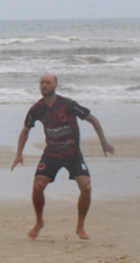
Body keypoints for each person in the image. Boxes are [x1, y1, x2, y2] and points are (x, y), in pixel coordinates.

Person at [12, 73, 114, 240]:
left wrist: (103, 142)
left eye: (48, 82)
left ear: (56, 85)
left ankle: (80, 226)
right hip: (51, 154)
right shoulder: (37, 108)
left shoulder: (68, 105)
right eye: (42, 82)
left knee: (86, 187)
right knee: (37, 187)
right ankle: (39, 221)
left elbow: (92, 119)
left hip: (73, 154)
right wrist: (18, 154)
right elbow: (25, 130)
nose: (44, 85)